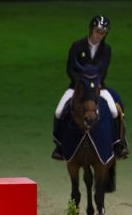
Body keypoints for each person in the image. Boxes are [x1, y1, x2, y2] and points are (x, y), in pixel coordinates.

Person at [52, 15, 128, 160]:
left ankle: (119, 144)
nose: (99, 35)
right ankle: (59, 146)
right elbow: (70, 69)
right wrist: (81, 83)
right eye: (97, 31)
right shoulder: (77, 46)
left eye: (102, 33)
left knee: (113, 110)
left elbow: (103, 71)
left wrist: (93, 86)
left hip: (98, 87)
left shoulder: (106, 50)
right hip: (77, 87)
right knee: (59, 111)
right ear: (91, 30)